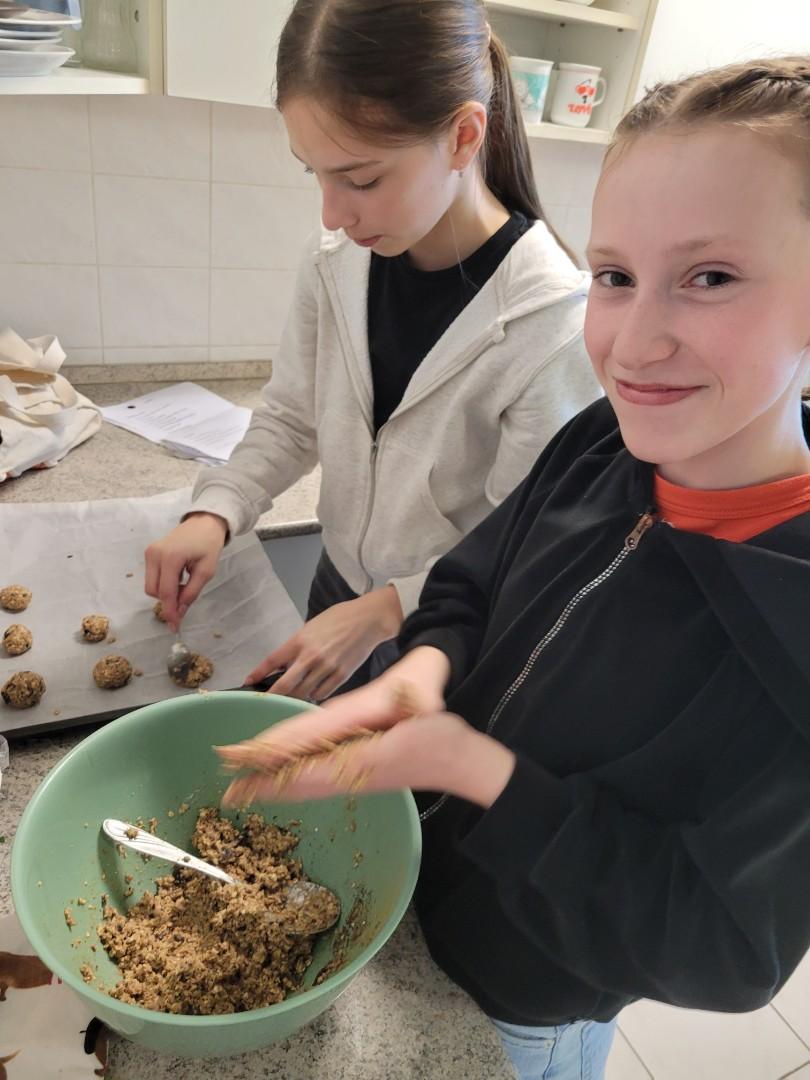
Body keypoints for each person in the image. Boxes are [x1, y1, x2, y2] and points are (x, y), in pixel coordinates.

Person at [215, 56, 810, 1080]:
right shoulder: (603, 442)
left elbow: (725, 949)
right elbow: (473, 580)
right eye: (614, 276)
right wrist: (424, 670)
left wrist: (474, 772)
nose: (635, 342)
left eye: (710, 277)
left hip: (525, 1005)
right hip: (417, 909)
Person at [143, 0, 600, 700]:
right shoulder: (335, 260)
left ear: (463, 137)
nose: (333, 213)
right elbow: (292, 417)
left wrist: (389, 609)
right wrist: (217, 509)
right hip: (339, 588)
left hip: (448, 632)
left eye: (361, 180)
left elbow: (525, 542)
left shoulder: (551, 323)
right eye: (315, 174)